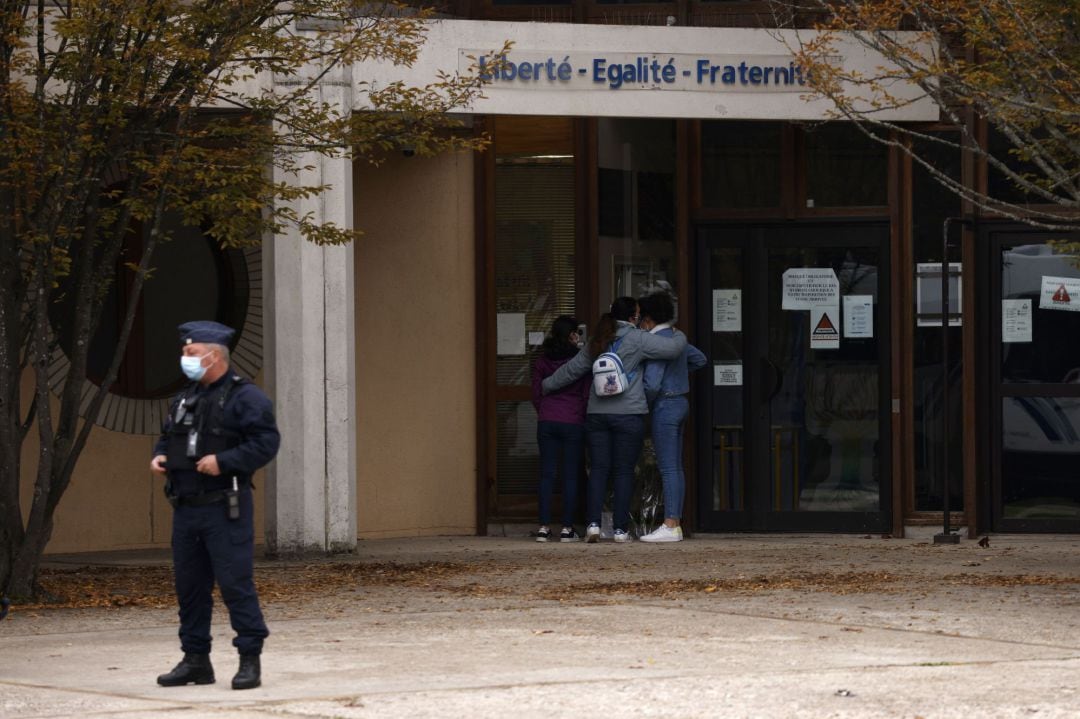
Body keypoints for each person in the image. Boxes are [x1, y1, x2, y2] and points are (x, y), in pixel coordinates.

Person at [150, 321, 280, 691]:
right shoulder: (185, 398)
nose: (185, 359)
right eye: (184, 353)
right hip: (186, 508)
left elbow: (266, 442)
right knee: (190, 588)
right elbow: (167, 436)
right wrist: (160, 456)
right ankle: (195, 660)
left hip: (225, 506)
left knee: (235, 584)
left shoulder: (245, 398)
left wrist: (224, 461)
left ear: (214, 355)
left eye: (191, 353)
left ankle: (249, 658)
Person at [542, 297, 687, 543]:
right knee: (623, 471)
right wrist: (679, 334)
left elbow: (572, 370)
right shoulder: (638, 338)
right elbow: (673, 349)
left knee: (598, 470)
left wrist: (546, 384)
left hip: (597, 415)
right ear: (634, 317)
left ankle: (593, 525)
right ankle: (620, 530)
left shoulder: (598, 338)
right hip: (628, 414)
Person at [636, 292, 707, 543]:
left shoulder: (656, 342)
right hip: (681, 402)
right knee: (675, 466)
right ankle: (674, 522)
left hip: (664, 405)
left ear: (648, 319)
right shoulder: (676, 337)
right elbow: (700, 359)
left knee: (667, 467)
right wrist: (679, 375)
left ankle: (670, 524)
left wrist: (641, 404)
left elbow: (652, 384)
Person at [531, 316, 590, 542]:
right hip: (572, 420)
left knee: (546, 474)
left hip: (547, 420)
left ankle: (544, 527)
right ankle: (567, 528)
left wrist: (544, 411)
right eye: (577, 332)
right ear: (572, 335)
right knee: (570, 475)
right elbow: (585, 394)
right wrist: (580, 415)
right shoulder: (579, 361)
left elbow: (536, 393)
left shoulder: (542, 360)